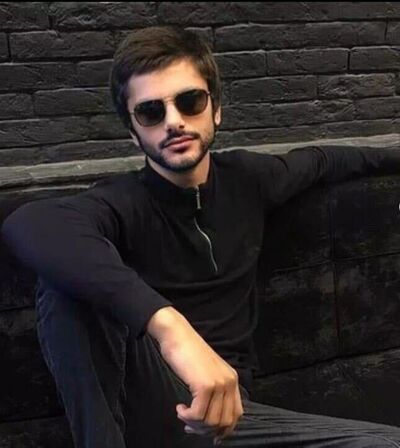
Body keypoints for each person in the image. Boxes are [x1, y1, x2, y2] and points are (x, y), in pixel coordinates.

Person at [2, 25, 400, 448]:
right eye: (151, 112)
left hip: (232, 418)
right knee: (66, 288)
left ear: (216, 110)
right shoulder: (123, 201)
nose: (174, 122)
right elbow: (30, 223)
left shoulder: (250, 179)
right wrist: (171, 329)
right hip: (152, 406)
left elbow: (325, 160)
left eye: (190, 101)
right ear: (134, 133)